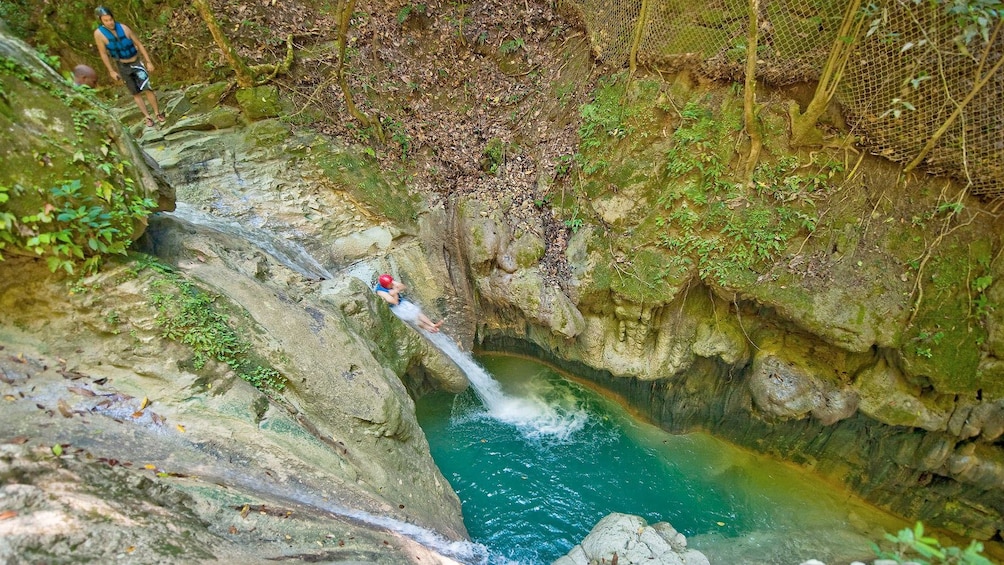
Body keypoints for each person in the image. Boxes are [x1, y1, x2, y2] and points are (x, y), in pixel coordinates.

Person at [92, 6, 165, 127]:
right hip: (122, 66)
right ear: (101, 21)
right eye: (106, 20)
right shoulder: (99, 34)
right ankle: (147, 117)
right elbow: (103, 54)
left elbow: (139, 44)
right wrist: (111, 71)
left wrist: (148, 61)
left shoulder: (124, 28)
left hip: (136, 62)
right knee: (135, 92)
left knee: (147, 88)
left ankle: (157, 113)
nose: (110, 23)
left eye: (111, 19)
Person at [374, 274, 443, 333]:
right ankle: (430, 329)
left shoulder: (389, 283)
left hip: (401, 301)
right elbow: (395, 302)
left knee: (417, 312)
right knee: (414, 318)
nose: (392, 284)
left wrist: (395, 290)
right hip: (394, 307)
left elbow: (403, 286)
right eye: (390, 284)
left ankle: (432, 325)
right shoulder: (381, 292)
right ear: (386, 285)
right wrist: (395, 292)